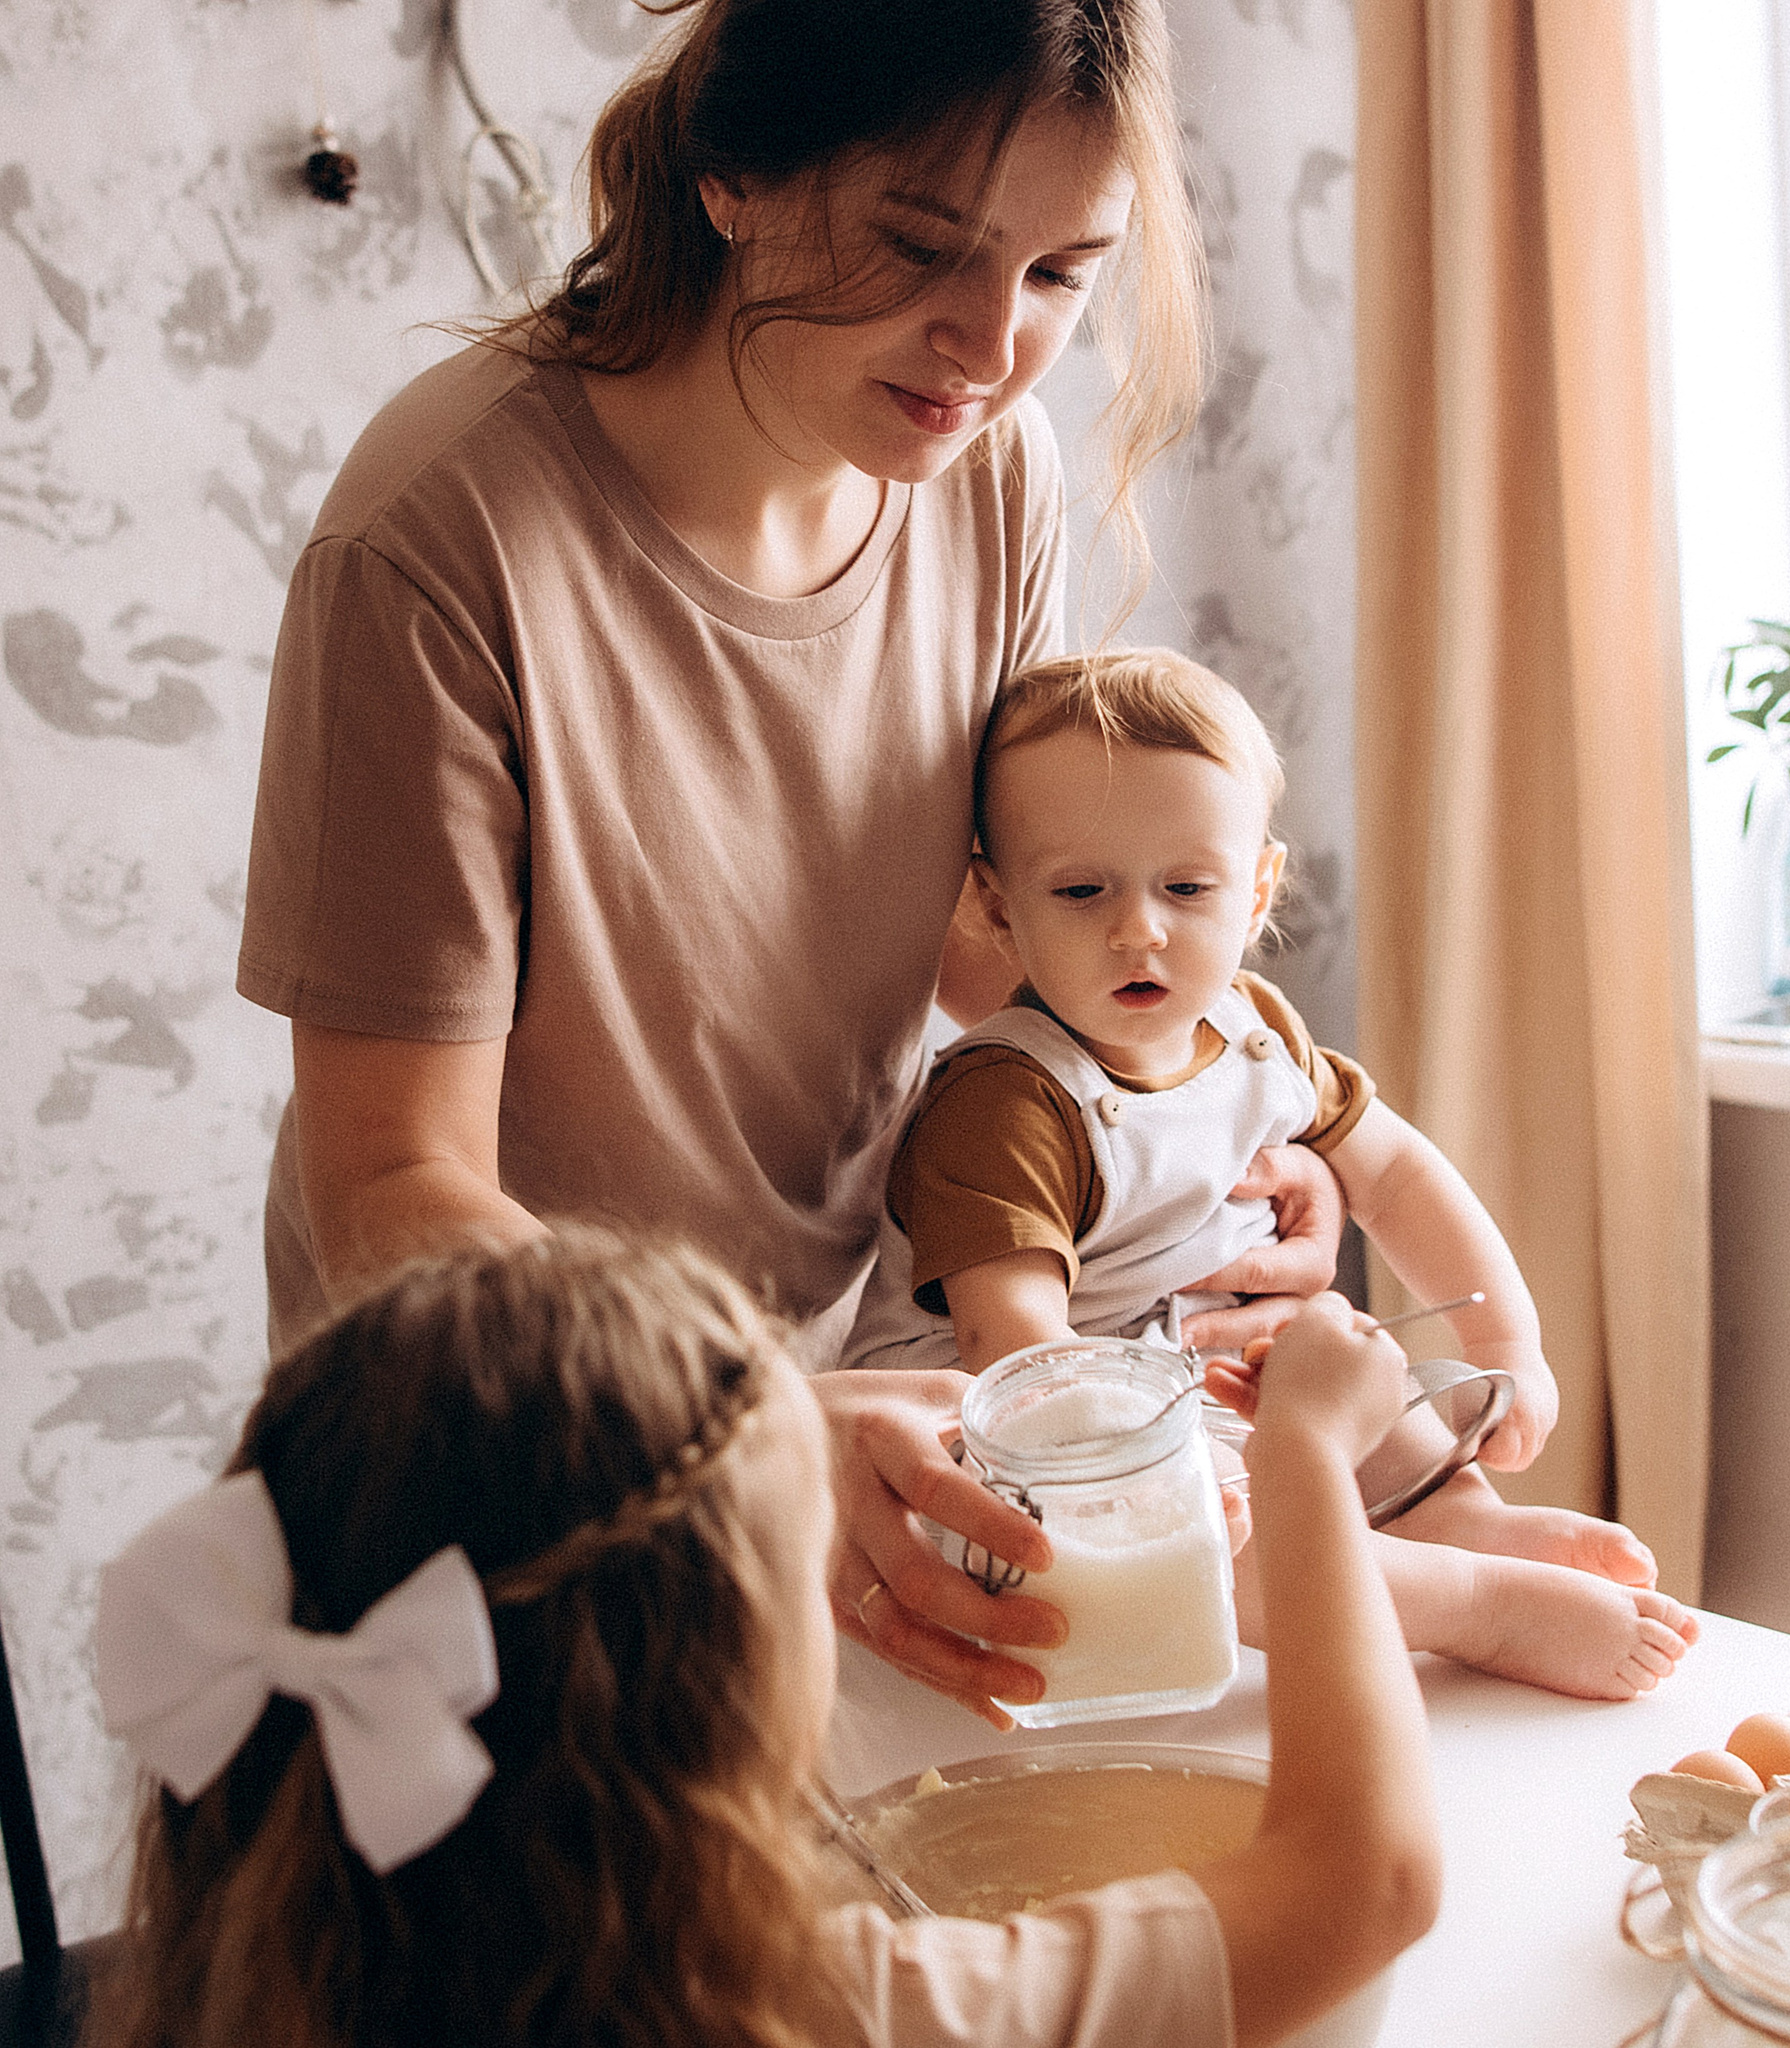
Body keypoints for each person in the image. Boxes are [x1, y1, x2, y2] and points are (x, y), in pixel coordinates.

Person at [233, 0, 1334, 1728]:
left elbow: (986, 971)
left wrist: (1225, 1136)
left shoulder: (985, 478)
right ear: (735, 171)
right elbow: (388, 1196)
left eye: (1062, 275)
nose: (990, 345)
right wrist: (738, 1405)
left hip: (824, 1408)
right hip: (487, 1459)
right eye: (924, 246)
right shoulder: (440, 538)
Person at [88, 1229, 1437, 2048]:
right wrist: (1307, 1449)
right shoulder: (836, 2012)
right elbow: (1362, 1877)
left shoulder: (252, 1981)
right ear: (714, 1697)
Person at [838, 649, 1699, 1701]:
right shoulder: (1007, 1099)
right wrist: (1173, 1480)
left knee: (1334, 1345)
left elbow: (1397, 1173)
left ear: (1256, 889)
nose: (1138, 927)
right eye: (1080, 888)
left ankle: (1457, 1515)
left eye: (1186, 886)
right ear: (996, 901)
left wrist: (1503, 1337)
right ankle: (1472, 1602)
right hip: (1013, 1437)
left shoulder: (1255, 1031)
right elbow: (1019, 1350)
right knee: (1221, 1548)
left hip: (1168, 1375)